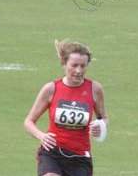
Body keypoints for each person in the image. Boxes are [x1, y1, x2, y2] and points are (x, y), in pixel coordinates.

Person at [24, 40, 108, 176]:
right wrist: (42, 136)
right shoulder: (51, 89)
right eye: (74, 65)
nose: (79, 71)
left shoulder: (95, 89)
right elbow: (28, 122)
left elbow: (103, 117)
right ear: (64, 63)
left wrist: (101, 126)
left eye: (83, 66)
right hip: (52, 152)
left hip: (80, 157)